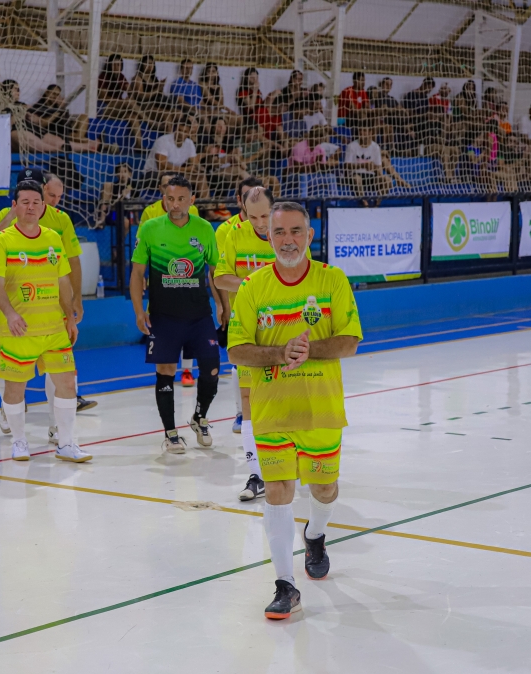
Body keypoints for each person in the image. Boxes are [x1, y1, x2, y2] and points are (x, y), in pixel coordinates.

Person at [227, 200, 363, 620]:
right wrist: (278, 352)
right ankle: (285, 585)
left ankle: (316, 534)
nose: (288, 240)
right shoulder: (253, 287)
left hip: (321, 409)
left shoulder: (332, 279)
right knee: (279, 491)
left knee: (324, 490)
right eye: (279, 232)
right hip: (273, 411)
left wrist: (308, 350)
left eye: (295, 231)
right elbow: (236, 350)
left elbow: (350, 341)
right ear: (268, 237)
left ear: (310, 234)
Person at [0, 180, 90, 463]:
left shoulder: (53, 238)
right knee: (15, 388)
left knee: (67, 383)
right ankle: (19, 442)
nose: (31, 207)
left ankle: (66, 444)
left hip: (54, 327)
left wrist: (70, 318)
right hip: (19, 329)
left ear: (43, 206)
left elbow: (63, 280)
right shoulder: (2, 240)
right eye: (25, 202)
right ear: (15, 206)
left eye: (36, 202)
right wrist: (10, 314)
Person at [129, 176, 224, 453]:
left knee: (212, 369)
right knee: (166, 371)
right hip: (163, 315)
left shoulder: (204, 228)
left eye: (181, 199)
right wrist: (138, 311)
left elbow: (214, 271)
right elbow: (137, 273)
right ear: (164, 199)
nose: (175, 204)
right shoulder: (150, 228)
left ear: (192, 200)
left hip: (199, 314)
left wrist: (223, 306)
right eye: (170, 199)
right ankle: (170, 433)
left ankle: (199, 417)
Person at [213, 186, 277, 502]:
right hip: (246, 330)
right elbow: (220, 277)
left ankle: (286, 463)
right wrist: (251, 284)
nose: (260, 223)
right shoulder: (234, 235)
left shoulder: (287, 234)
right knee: (249, 401)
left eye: (265, 216)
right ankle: (256, 474)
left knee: (282, 399)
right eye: (253, 217)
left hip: (281, 329)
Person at [213, 176, 265, 433]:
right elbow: (219, 272)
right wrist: (222, 305)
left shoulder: (277, 228)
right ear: (239, 200)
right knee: (240, 362)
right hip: (240, 309)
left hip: (272, 314)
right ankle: (240, 413)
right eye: (247, 197)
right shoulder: (228, 231)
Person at [144, 115, 209, 199]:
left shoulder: (189, 144)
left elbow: (195, 163)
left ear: (189, 133)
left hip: (175, 174)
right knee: (172, 179)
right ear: (175, 129)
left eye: (185, 131)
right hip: (153, 174)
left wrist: (199, 169)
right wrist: (186, 169)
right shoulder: (163, 141)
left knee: (201, 177)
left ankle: (207, 205)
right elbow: (161, 166)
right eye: (179, 130)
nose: (181, 134)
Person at [97, 162, 135, 229]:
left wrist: (137, 219)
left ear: (130, 174)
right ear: (116, 175)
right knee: (115, 218)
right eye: (119, 172)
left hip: (127, 213)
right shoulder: (114, 187)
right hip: (115, 213)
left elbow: (136, 205)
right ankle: (102, 220)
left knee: (127, 221)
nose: (122, 174)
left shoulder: (134, 186)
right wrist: (122, 196)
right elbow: (112, 206)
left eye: (125, 171)